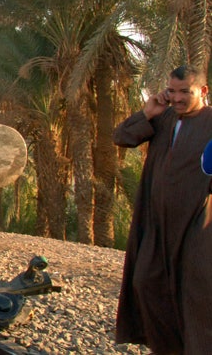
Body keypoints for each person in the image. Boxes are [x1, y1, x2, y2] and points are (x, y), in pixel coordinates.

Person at [114, 65, 212, 353]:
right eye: (172, 91)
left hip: (198, 224)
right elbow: (122, 137)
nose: (177, 98)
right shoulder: (164, 117)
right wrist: (148, 113)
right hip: (156, 224)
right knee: (145, 282)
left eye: (185, 92)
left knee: (197, 295)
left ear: (203, 91)